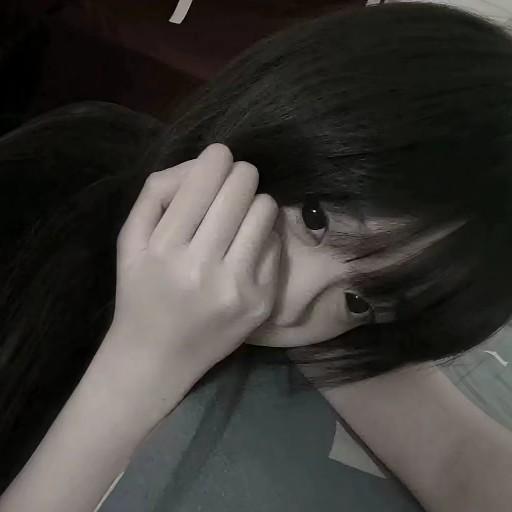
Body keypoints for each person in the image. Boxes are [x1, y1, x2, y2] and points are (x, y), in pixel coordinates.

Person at [0, 2, 512, 511]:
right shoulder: (53, 186)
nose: (288, 304)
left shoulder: (334, 329)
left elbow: (457, 459)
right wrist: (143, 357)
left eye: (360, 301)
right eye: (315, 219)